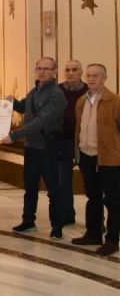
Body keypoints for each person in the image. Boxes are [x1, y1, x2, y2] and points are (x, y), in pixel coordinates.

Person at [4, 57, 67, 239]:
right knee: (30, 187)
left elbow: (41, 121)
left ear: (55, 71)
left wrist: (14, 136)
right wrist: (14, 102)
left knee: (53, 189)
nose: (42, 72)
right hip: (31, 148)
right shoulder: (34, 90)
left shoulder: (56, 95)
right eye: (39, 68)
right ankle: (28, 221)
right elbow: (25, 107)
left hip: (48, 148)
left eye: (46, 69)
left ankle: (57, 226)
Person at [71, 64, 120, 256]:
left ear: (104, 78)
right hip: (86, 155)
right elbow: (78, 128)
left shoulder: (114, 101)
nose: (91, 79)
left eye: (96, 76)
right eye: (89, 75)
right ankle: (93, 233)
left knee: (113, 201)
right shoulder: (81, 101)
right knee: (93, 197)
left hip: (108, 158)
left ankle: (112, 240)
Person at [57, 60, 87, 225]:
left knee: (91, 181)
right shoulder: (58, 90)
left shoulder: (88, 91)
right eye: (67, 70)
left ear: (81, 72)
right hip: (63, 142)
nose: (70, 73)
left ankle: (97, 220)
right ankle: (67, 214)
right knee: (64, 180)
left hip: (85, 142)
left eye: (74, 70)